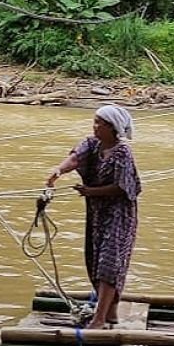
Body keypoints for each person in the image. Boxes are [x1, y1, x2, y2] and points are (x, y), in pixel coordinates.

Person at [46, 105, 141, 329]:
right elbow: (75, 158)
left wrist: (91, 192)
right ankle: (111, 312)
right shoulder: (92, 144)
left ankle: (99, 319)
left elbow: (121, 186)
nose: (95, 126)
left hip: (119, 214)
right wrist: (57, 172)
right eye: (95, 121)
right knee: (94, 259)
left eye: (99, 123)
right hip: (97, 213)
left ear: (111, 127)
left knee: (109, 263)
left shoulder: (122, 152)